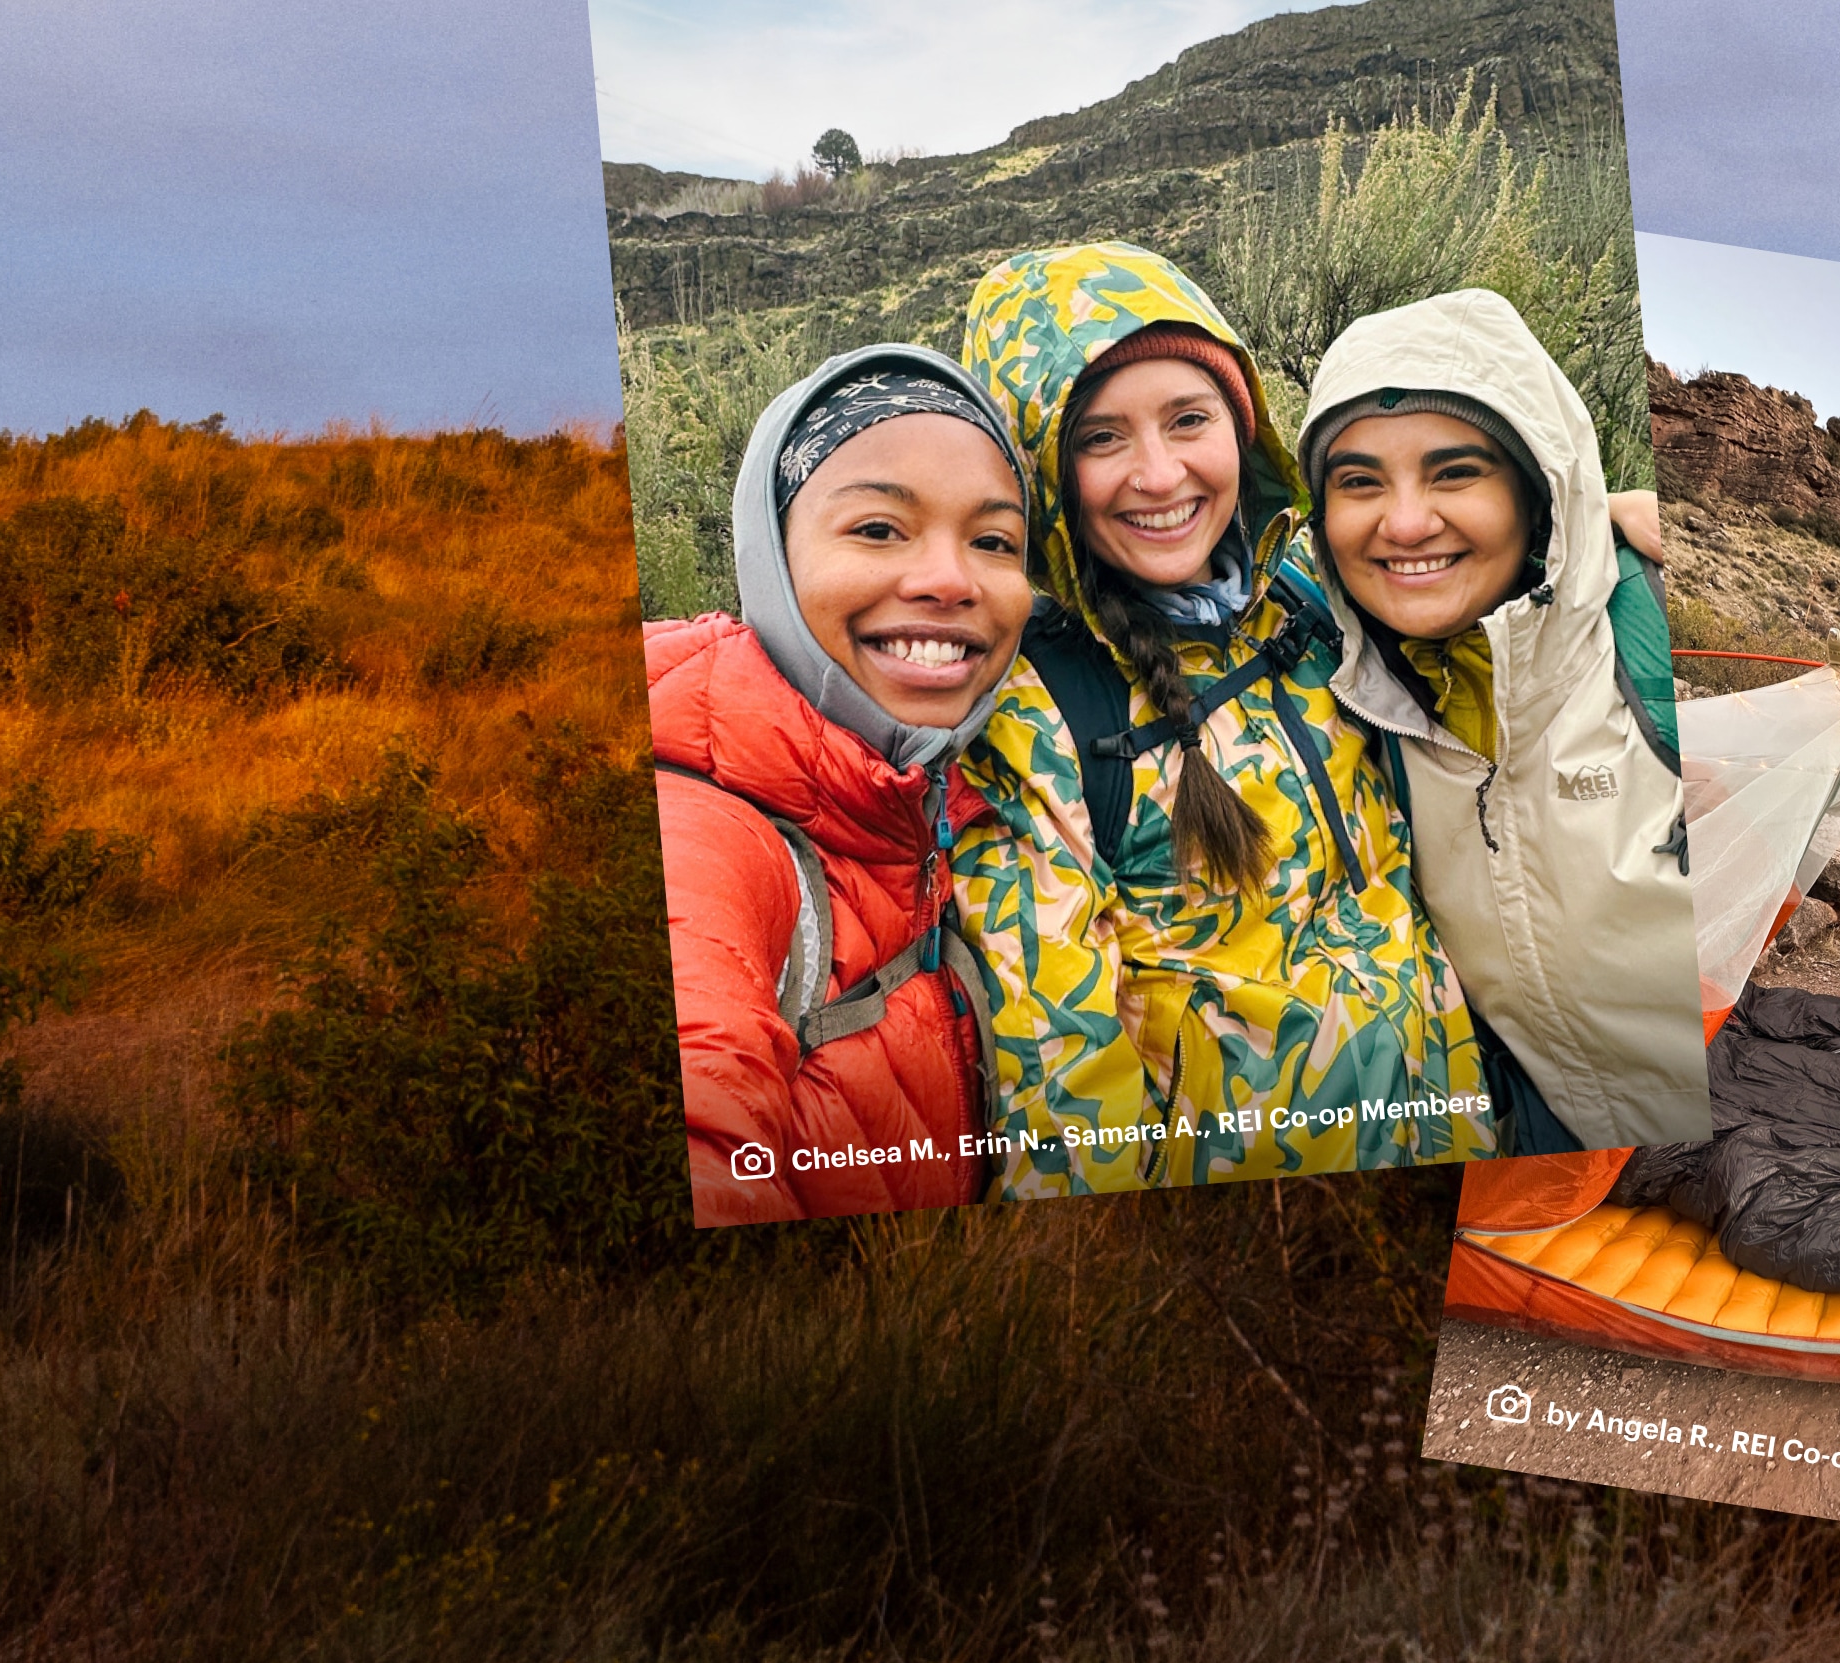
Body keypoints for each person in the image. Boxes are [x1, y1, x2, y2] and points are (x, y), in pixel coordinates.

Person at [951, 242, 1498, 1194]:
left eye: (1188, 419)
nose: (1159, 475)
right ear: (1041, 468)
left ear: (1241, 433)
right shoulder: (1033, 705)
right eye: (1101, 438)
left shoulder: (1309, 602)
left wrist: (1595, 516)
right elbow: (1062, 1076)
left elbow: (1490, 617)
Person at [1294, 289, 1708, 1152]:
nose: (1405, 522)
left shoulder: (1658, 643)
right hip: (1559, 1158)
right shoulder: (1361, 691)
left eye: (1456, 472)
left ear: (1535, 491)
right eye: (1359, 481)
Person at [649, 345, 1035, 1225]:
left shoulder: (928, 796)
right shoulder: (702, 838)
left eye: (993, 540)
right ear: (771, 555)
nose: (949, 578)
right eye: (877, 529)